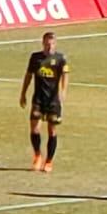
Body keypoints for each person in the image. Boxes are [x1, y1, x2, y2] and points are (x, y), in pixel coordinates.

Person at [21, 30, 69, 173]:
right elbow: (28, 76)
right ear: (43, 43)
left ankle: (49, 161)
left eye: (52, 44)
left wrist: (64, 91)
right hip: (38, 99)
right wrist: (23, 93)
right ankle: (37, 155)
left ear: (55, 44)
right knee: (35, 128)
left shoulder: (61, 59)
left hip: (53, 100)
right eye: (47, 44)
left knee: (52, 130)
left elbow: (65, 75)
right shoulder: (35, 58)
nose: (49, 46)